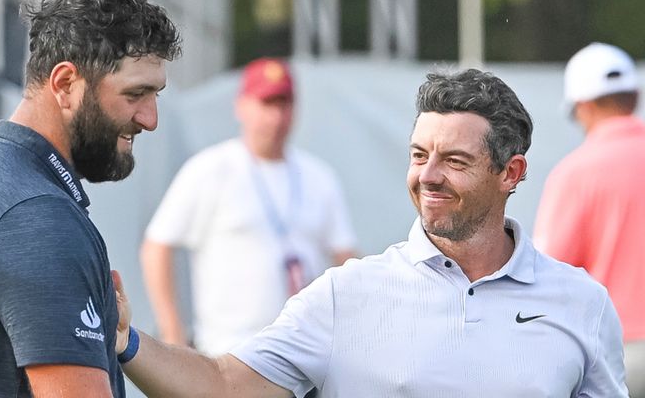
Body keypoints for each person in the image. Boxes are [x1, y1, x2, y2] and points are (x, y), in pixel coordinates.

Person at [111, 68, 628, 397]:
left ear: (510, 173)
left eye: (454, 160)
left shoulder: (581, 303)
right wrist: (129, 342)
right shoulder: (346, 294)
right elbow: (225, 386)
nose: (428, 176)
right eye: (419, 156)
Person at [0, 0, 180, 398]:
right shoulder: (35, 217)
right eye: (136, 93)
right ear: (66, 83)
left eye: (155, 94)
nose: (150, 118)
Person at [140, 57, 357, 356]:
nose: (277, 116)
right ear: (241, 106)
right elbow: (157, 246)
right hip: (231, 353)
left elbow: (345, 258)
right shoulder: (212, 168)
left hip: (305, 352)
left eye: (284, 103)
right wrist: (172, 333)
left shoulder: (319, 176)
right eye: (266, 103)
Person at [534, 42, 645, 397]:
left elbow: (547, 274)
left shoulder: (575, 173)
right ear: (635, 96)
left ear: (583, 106)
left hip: (617, 354)